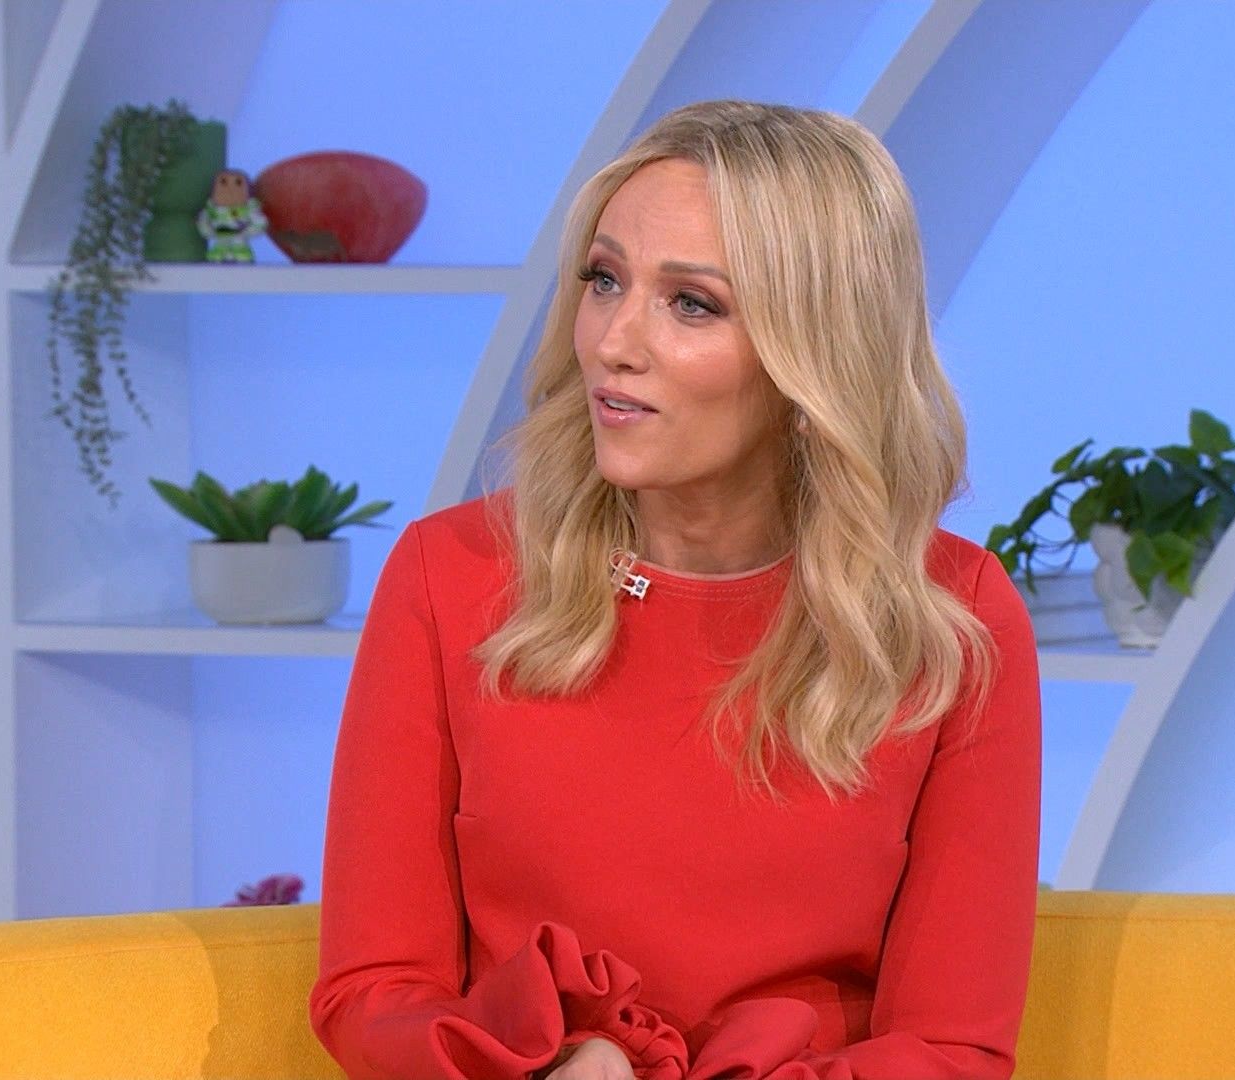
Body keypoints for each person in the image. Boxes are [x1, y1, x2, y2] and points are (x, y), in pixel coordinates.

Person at [308, 99, 1042, 1080]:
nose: (614, 341)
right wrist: (567, 1061)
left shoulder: (953, 619)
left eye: (691, 303)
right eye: (604, 280)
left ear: (817, 358)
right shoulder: (451, 576)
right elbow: (373, 991)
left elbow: (951, 1051)